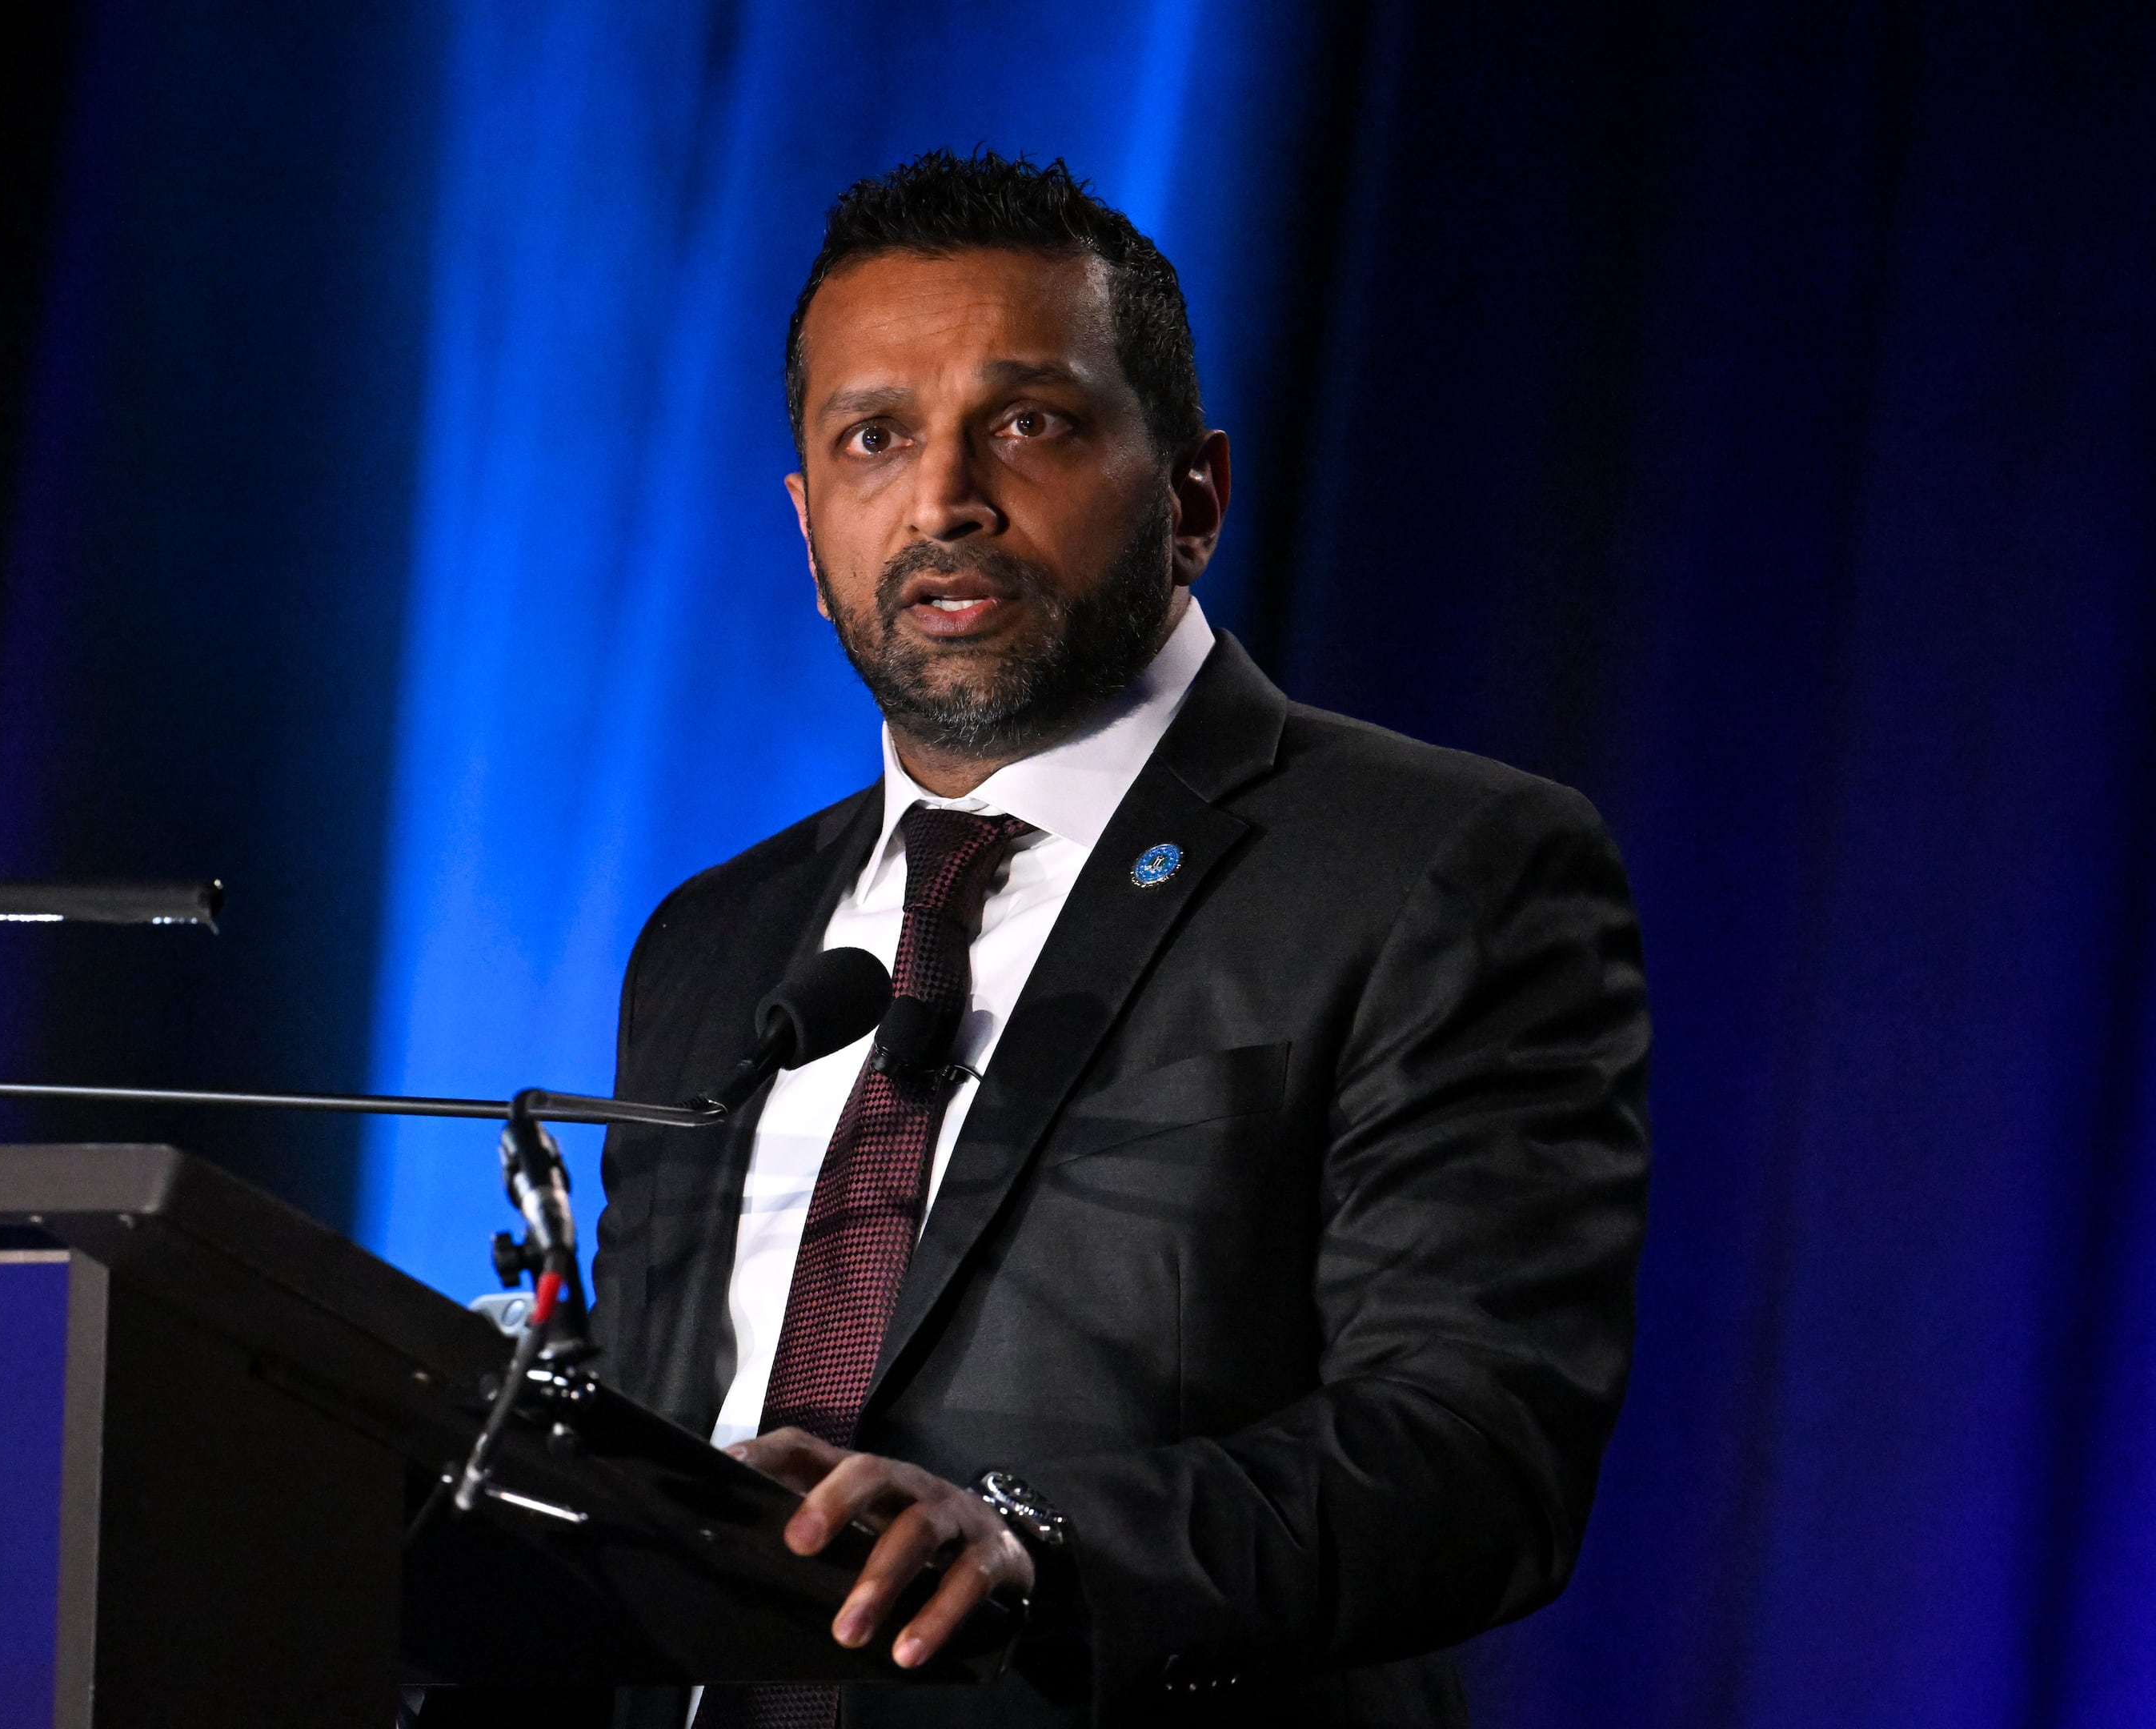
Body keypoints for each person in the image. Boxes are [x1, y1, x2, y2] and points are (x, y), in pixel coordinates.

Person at [588, 150, 1652, 1727]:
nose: (945, 496)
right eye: (876, 437)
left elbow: (1477, 1449)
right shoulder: (712, 943)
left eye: (1028, 422)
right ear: (812, 534)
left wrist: (1042, 1551)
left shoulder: (1444, 865)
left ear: (1193, 496)